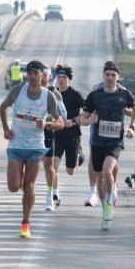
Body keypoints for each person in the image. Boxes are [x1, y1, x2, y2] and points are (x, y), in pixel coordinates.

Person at [0, 60, 63, 237]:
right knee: (13, 186)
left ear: (43, 76)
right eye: (30, 73)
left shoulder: (48, 96)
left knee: (29, 186)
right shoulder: (18, 91)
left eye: (36, 73)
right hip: (16, 145)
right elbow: (3, 107)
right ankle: (21, 183)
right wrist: (5, 128)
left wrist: (47, 123)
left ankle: (25, 223)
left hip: (35, 147)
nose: (33, 76)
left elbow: (60, 123)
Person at [81, 61, 135, 230]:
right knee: (99, 176)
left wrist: (132, 127)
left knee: (107, 171)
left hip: (115, 141)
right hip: (98, 141)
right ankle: (105, 205)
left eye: (113, 75)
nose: (110, 78)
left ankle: (109, 202)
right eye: (107, 74)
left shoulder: (124, 94)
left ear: (118, 77)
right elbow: (83, 118)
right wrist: (89, 120)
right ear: (103, 75)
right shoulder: (95, 95)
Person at [46, 64, 85, 210]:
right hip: (57, 135)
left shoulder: (75, 95)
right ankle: (54, 194)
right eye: (59, 77)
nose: (61, 80)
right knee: (53, 164)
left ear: (69, 79)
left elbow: (87, 112)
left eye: (64, 77)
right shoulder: (52, 94)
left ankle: (79, 154)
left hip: (73, 136)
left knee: (70, 170)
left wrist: (73, 121)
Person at [41, 64, 67, 211]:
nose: (44, 76)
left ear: (50, 76)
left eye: (47, 74)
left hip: (47, 132)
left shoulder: (54, 93)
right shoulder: (27, 90)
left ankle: (50, 195)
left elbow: (63, 116)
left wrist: (49, 122)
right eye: (42, 73)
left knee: (48, 166)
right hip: (29, 133)